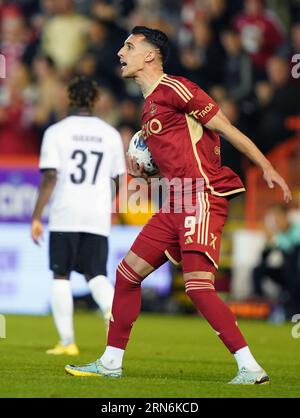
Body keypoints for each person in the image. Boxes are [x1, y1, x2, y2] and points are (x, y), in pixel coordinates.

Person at [65, 27, 291, 383]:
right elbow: (175, 161)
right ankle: (110, 362)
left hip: (201, 194)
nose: (120, 53)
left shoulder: (176, 88)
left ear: (150, 55)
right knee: (126, 275)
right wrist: (146, 173)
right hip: (175, 200)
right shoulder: (149, 107)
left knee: (198, 287)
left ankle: (250, 367)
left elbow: (226, 128)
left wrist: (266, 166)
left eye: (129, 46)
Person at [31, 76, 126, 355]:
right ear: (96, 101)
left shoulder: (57, 132)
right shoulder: (110, 134)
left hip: (65, 212)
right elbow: (118, 178)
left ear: (68, 98)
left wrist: (36, 216)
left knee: (61, 274)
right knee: (96, 274)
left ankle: (67, 342)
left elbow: (50, 176)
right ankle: (114, 314)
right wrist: (105, 203)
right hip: (97, 214)